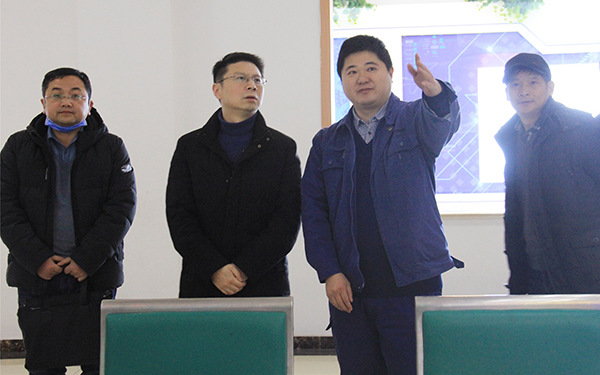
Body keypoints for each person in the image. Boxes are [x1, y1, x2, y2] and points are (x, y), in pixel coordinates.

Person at [302, 35, 461, 375]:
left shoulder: (415, 120)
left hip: (412, 286)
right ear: (342, 80)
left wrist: (435, 94)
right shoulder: (327, 141)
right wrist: (329, 271)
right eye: (351, 71)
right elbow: (314, 213)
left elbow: (442, 122)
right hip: (350, 291)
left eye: (371, 68)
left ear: (389, 72)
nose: (362, 78)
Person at [1, 67, 136, 375]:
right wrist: (38, 259)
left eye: (76, 95)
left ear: (89, 104)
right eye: (57, 95)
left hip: (95, 272)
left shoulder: (111, 147)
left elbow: (122, 208)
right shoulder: (18, 147)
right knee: (43, 366)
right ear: (43, 103)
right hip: (36, 275)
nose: (66, 101)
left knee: (98, 364)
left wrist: (86, 259)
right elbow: (5, 208)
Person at [166, 52, 301, 298]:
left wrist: (243, 269)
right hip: (203, 281)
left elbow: (287, 220)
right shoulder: (190, 147)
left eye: (257, 80)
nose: (252, 85)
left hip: (264, 281)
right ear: (217, 90)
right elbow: (180, 216)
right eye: (241, 78)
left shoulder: (282, 148)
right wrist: (215, 269)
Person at [495, 53, 600, 295]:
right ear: (507, 93)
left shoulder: (580, 128)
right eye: (515, 84)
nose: (523, 91)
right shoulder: (511, 137)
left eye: (533, 82)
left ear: (549, 88)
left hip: (585, 268)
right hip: (534, 269)